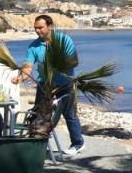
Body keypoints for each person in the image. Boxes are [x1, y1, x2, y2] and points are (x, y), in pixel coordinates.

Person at [14, 15, 84, 155]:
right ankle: (39, 144)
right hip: (44, 86)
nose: (37, 31)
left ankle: (77, 143)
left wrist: (59, 65)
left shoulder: (64, 40)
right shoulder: (34, 46)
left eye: (40, 27)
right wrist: (20, 77)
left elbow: (74, 61)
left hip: (65, 84)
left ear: (49, 26)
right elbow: (28, 66)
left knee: (69, 115)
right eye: (35, 28)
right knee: (40, 115)